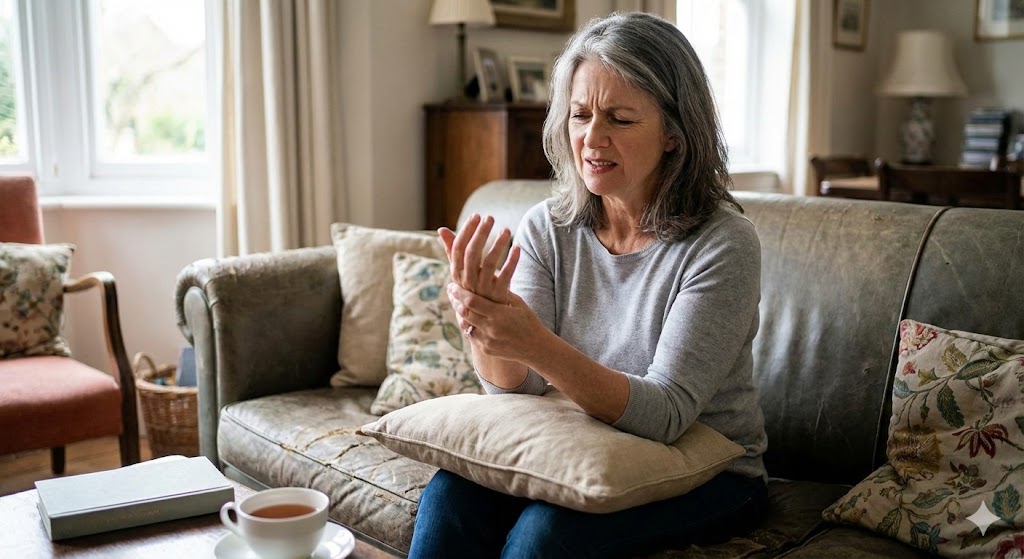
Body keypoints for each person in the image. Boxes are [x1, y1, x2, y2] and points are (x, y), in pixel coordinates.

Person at [409, 11, 769, 559]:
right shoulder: (549, 227)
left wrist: (531, 340)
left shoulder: (723, 243)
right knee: (451, 493)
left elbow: (668, 414)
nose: (592, 139)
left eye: (620, 119)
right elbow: (518, 390)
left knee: (547, 534)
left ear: (675, 133)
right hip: (586, 446)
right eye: (580, 115)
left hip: (713, 469)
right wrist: (488, 331)